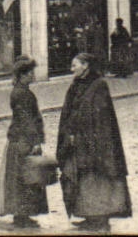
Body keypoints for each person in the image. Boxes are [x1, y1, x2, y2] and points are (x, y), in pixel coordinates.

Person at [57, 51, 132, 233]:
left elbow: (101, 117)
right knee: (82, 180)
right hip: (77, 142)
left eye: (75, 65)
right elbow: (69, 112)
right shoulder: (76, 85)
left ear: (85, 66)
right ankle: (89, 216)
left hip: (96, 144)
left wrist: (88, 136)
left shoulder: (99, 86)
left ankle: (102, 220)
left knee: (98, 180)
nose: (71, 69)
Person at [0, 55, 50, 230]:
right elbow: (27, 120)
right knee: (25, 178)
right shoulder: (22, 94)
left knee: (22, 178)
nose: (32, 76)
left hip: (20, 140)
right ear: (22, 75)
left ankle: (23, 214)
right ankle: (22, 215)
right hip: (23, 141)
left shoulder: (21, 91)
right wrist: (35, 141)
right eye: (29, 73)